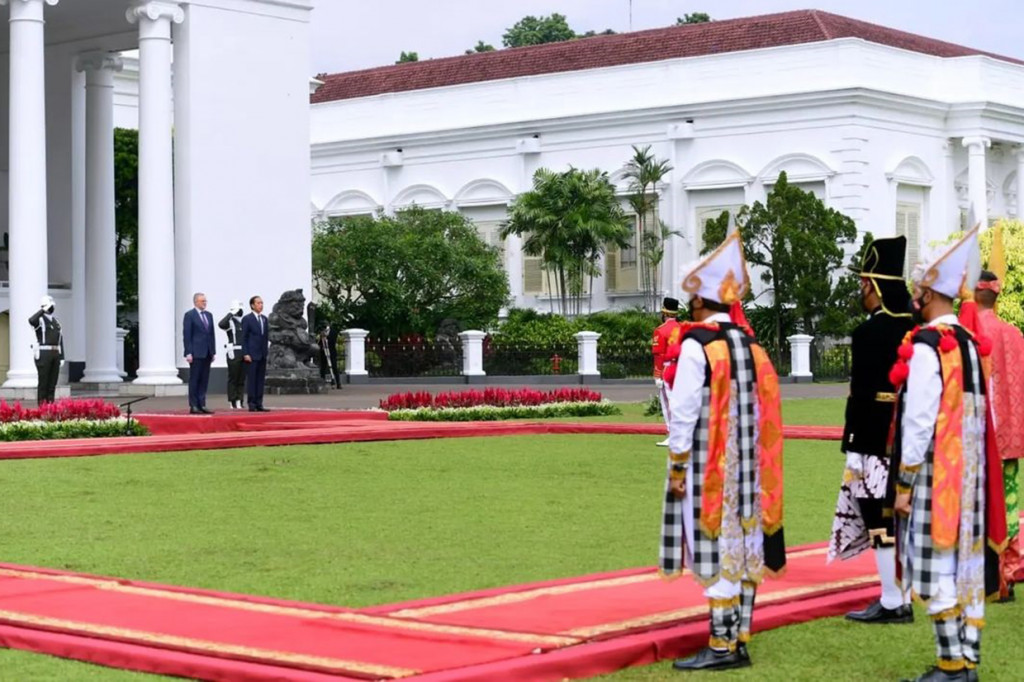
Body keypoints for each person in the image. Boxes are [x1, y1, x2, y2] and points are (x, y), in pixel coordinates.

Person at [660, 231, 786, 672]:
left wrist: (678, 465)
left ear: (699, 300)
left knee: (712, 547)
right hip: (751, 468)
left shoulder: (698, 344)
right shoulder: (753, 347)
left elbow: (683, 412)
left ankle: (721, 644)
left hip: (708, 464)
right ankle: (739, 637)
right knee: (745, 546)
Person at [890, 226, 1006, 682]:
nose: (914, 296)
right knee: (965, 564)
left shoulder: (928, 345)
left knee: (935, 562)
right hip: (970, 476)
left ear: (927, 293)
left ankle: (952, 663)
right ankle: (966, 660)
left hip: (936, 473)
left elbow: (919, 421)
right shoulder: (970, 344)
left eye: (918, 289)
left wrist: (904, 483)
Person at [828, 236, 915, 624]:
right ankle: (902, 594)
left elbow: (860, 395)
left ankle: (892, 599)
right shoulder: (916, 328)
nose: (861, 290)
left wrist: (852, 442)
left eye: (864, 283)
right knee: (901, 519)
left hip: (873, 440)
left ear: (874, 286)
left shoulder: (868, 334)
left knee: (877, 518)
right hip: (909, 439)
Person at [973, 271, 1024, 601]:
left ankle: (988, 575)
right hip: (1010, 433)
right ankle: (1010, 571)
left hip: (978, 436)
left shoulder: (968, 333)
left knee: (979, 504)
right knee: (1009, 502)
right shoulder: (1014, 334)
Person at [652, 297, 681, 447]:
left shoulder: (661, 330)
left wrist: (657, 375)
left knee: (669, 403)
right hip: (683, 368)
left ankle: (673, 435)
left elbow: (659, 355)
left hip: (668, 369)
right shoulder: (684, 329)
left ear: (664, 313)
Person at [183, 292, 216, 415]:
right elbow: (187, 335)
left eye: (205, 301)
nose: (204, 303)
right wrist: (188, 352)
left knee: (204, 380)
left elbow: (211, 334)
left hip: (207, 352)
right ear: (196, 302)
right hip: (196, 353)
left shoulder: (209, 315)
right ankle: (194, 405)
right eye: (202, 301)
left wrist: (213, 351)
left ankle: (202, 404)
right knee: (195, 379)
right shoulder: (190, 315)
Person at [28, 295, 63, 404]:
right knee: (44, 383)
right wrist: (43, 310)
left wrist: (62, 356)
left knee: (52, 384)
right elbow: (31, 320)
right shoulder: (40, 319)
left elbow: (60, 340)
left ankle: (51, 407)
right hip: (44, 354)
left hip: (55, 353)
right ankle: (42, 407)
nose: (52, 308)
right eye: (50, 306)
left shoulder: (56, 321)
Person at [241, 295, 270, 412]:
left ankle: (259, 403)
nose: (261, 305)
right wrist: (246, 353)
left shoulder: (264, 319)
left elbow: (265, 337)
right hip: (251, 354)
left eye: (262, 303)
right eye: (258, 303)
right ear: (252, 305)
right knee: (252, 379)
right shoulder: (247, 319)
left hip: (262, 354)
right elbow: (244, 337)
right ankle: (252, 403)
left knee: (260, 380)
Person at [218, 300, 247, 410]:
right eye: (239, 310)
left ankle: (240, 400)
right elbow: (221, 324)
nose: (240, 312)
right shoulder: (230, 321)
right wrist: (231, 313)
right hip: (233, 353)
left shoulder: (243, 322)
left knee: (241, 379)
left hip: (243, 352)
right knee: (233, 378)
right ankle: (232, 401)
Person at [319, 321, 341, 389]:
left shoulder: (333, 332)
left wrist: (326, 336)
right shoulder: (321, 332)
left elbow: (333, 340)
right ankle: (322, 382)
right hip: (324, 352)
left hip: (331, 352)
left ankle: (338, 383)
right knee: (323, 368)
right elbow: (320, 342)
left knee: (334, 367)